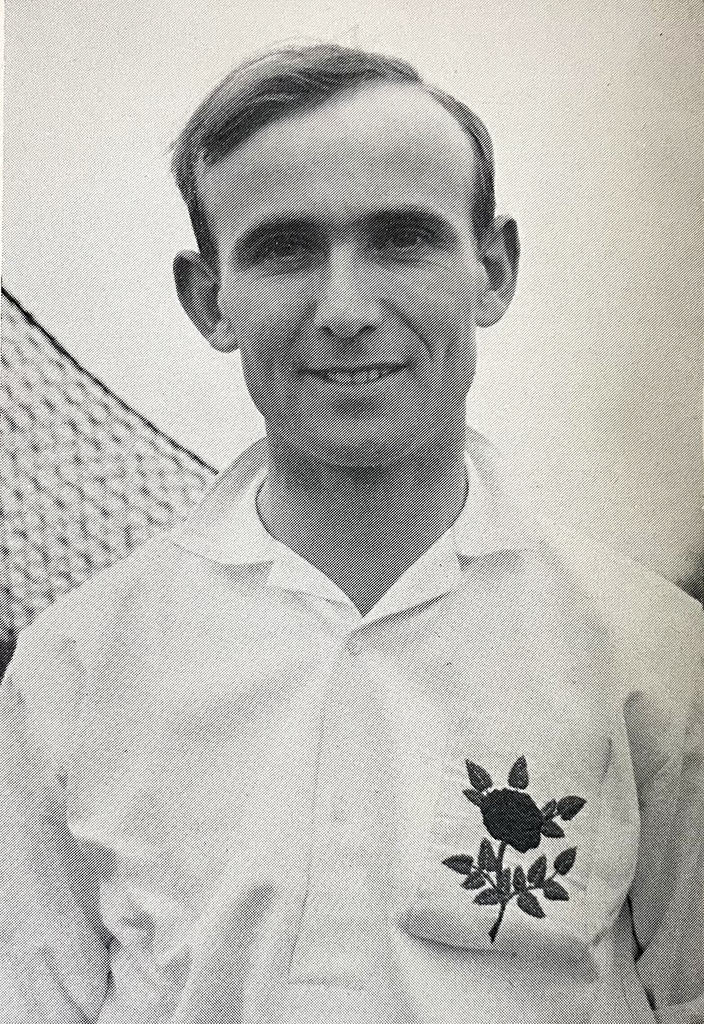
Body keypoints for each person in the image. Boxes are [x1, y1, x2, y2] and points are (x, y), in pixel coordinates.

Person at [0, 43, 701, 1024]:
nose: (344, 309)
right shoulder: (74, 665)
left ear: (490, 269)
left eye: (400, 239)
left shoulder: (652, 652)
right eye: (283, 248)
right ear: (210, 298)